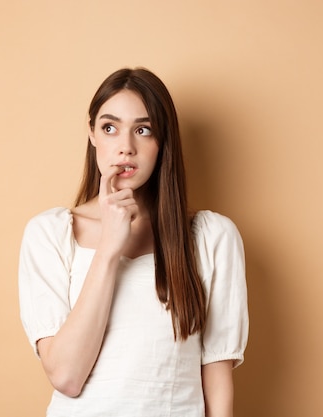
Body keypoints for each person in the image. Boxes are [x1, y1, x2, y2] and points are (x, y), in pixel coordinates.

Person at [18, 67, 248, 417]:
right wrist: (110, 246)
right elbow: (66, 376)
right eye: (110, 128)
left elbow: (217, 383)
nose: (125, 148)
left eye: (143, 130)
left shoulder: (211, 238)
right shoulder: (50, 234)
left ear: (162, 142)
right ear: (92, 133)